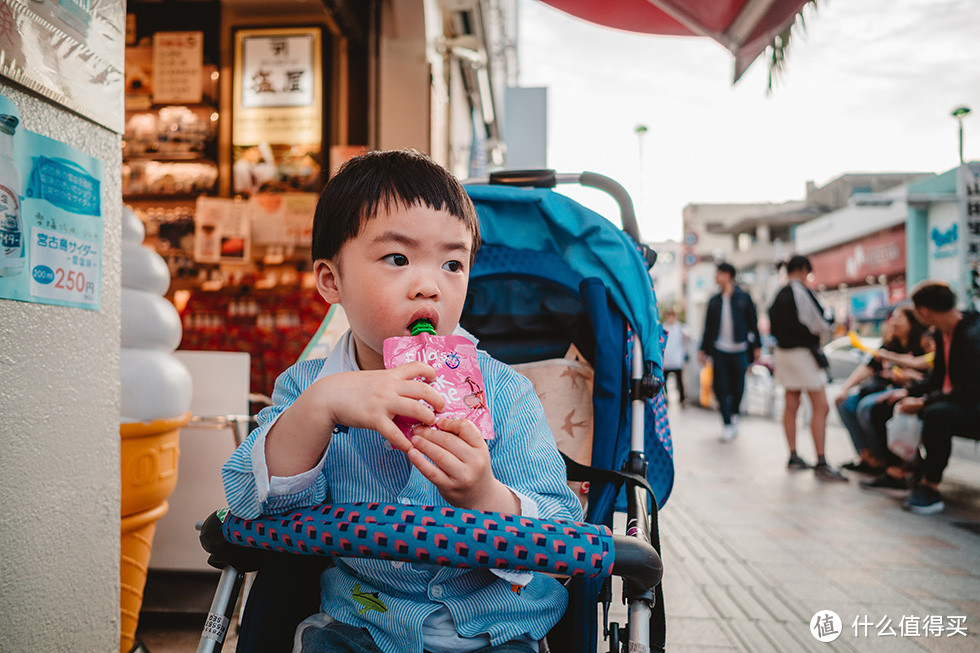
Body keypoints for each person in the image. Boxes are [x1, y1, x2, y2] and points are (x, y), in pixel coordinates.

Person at [222, 149, 582, 653]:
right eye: (398, 258)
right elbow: (249, 504)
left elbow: (561, 531)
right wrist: (323, 407)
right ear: (332, 280)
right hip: (361, 626)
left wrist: (485, 497)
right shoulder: (310, 388)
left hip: (496, 633)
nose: (428, 286)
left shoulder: (505, 393)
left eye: (453, 263)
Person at [862, 281, 980, 514]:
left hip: (972, 405)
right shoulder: (941, 334)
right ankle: (899, 471)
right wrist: (907, 392)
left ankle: (930, 486)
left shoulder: (972, 334)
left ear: (923, 311)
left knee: (936, 414)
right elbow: (937, 380)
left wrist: (924, 402)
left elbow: (972, 389)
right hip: (956, 399)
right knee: (885, 405)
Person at [768, 255, 846, 481]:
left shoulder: (779, 293)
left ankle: (793, 455)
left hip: (783, 354)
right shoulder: (802, 291)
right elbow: (822, 321)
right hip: (803, 354)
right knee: (820, 405)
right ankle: (821, 460)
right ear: (802, 270)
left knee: (791, 403)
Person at [835, 305, 929, 474]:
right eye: (892, 318)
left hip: (904, 391)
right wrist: (845, 388)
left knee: (866, 407)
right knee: (845, 402)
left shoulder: (922, 343)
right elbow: (868, 367)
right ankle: (867, 456)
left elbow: (927, 374)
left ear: (912, 321)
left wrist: (908, 375)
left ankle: (887, 461)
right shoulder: (889, 344)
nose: (893, 322)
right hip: (879, 388)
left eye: (898, 318)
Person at [698, 262, 761, 441]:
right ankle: (727, 423)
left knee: (738, 386)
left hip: (740, 349)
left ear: (727, 275)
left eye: (718, 274)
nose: (715, 277)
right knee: (720, 387)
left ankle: (734, 415)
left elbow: (753, 323)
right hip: (719, 349)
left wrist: (757, 346)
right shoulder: (714, 301)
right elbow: (708, 327)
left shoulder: (744, 297)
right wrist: (702, 349)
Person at [661, 306, 691, 405]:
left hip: (677, 359)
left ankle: (682, 399)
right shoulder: (663, 328)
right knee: (664, 381)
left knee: (680, 381)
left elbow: (688, 336)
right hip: (666, 360)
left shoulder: (681, 328)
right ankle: (665, 399)